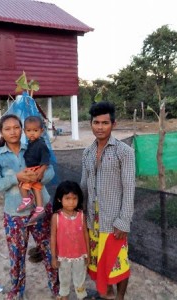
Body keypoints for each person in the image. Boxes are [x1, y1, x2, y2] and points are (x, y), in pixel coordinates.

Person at [0, 114, 59, 300]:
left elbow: (50, 169)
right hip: (15, 214)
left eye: (16, 127)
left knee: (49, 250)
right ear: (1, 132)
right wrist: (16, 178)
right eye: (7, 128)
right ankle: (17, 291)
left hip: (42, 210)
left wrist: (38, 177)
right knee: (17, 256)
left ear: (22, 129)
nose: (13, 132)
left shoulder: (34, 145)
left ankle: (57, 288)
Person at [81, 102, 135, 300]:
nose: (100, 127)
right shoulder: (86, 153)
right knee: (97, 262)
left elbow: (129, 187)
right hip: (93, 220)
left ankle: (119, 297)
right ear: (91, 123)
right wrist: (81, 216)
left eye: (105, 123)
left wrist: (124, 220)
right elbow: (83, 186)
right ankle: (107, 294)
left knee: (118, 262)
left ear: (114, 124)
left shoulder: (124, 152)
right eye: (96, 122)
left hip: (114, 221)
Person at [50, 181, 90, 300]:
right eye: (67, 198)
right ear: (59, 199)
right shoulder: (56, 217)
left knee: (80, 278)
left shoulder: (81, 215)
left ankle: (81, 296)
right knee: (64, 279)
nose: (71, 202)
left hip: (79, 255)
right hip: (63, 257)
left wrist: (88, 253)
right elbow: (52, 237)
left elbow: (85, 234)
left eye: (74, 198)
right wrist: (53, 257)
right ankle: (64, 296)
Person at [17, 115, 51, 225]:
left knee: (22, 185)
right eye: (29, 131)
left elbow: (46, 159)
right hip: (34, 168)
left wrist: (41, 170)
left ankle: (26, 200)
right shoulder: (31, 143)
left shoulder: (41, 144)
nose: (32, 133)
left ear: (41, 131)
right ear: (24, 131)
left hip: (35, 169)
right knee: (37, 189)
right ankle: (40, 208)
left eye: (35, 130)